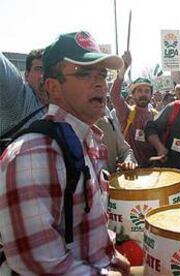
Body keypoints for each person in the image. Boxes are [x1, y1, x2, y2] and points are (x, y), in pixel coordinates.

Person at [0, 31, 130, 275]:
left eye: (102, 73)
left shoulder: (85, 142)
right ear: (53, 87)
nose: (100, 82)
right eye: (83, 73)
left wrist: (110, 253)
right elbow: (37, 261)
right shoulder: (32, 154)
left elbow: (85, 228)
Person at [111, 51, 157, 167]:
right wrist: (123, 69)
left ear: (151, 95)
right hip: (131, 170)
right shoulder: (127, 113)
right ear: (133, 95)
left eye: (147, 91)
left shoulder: (156, 116)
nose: (143, 94)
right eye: (139, 91)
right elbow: (115, 95)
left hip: (152, 170)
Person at [0, 49, 48, 136]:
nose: (44, 75)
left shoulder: (66, 106)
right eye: (39, 69)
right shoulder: (19, 97)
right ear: (26, 75)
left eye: (49, 70)